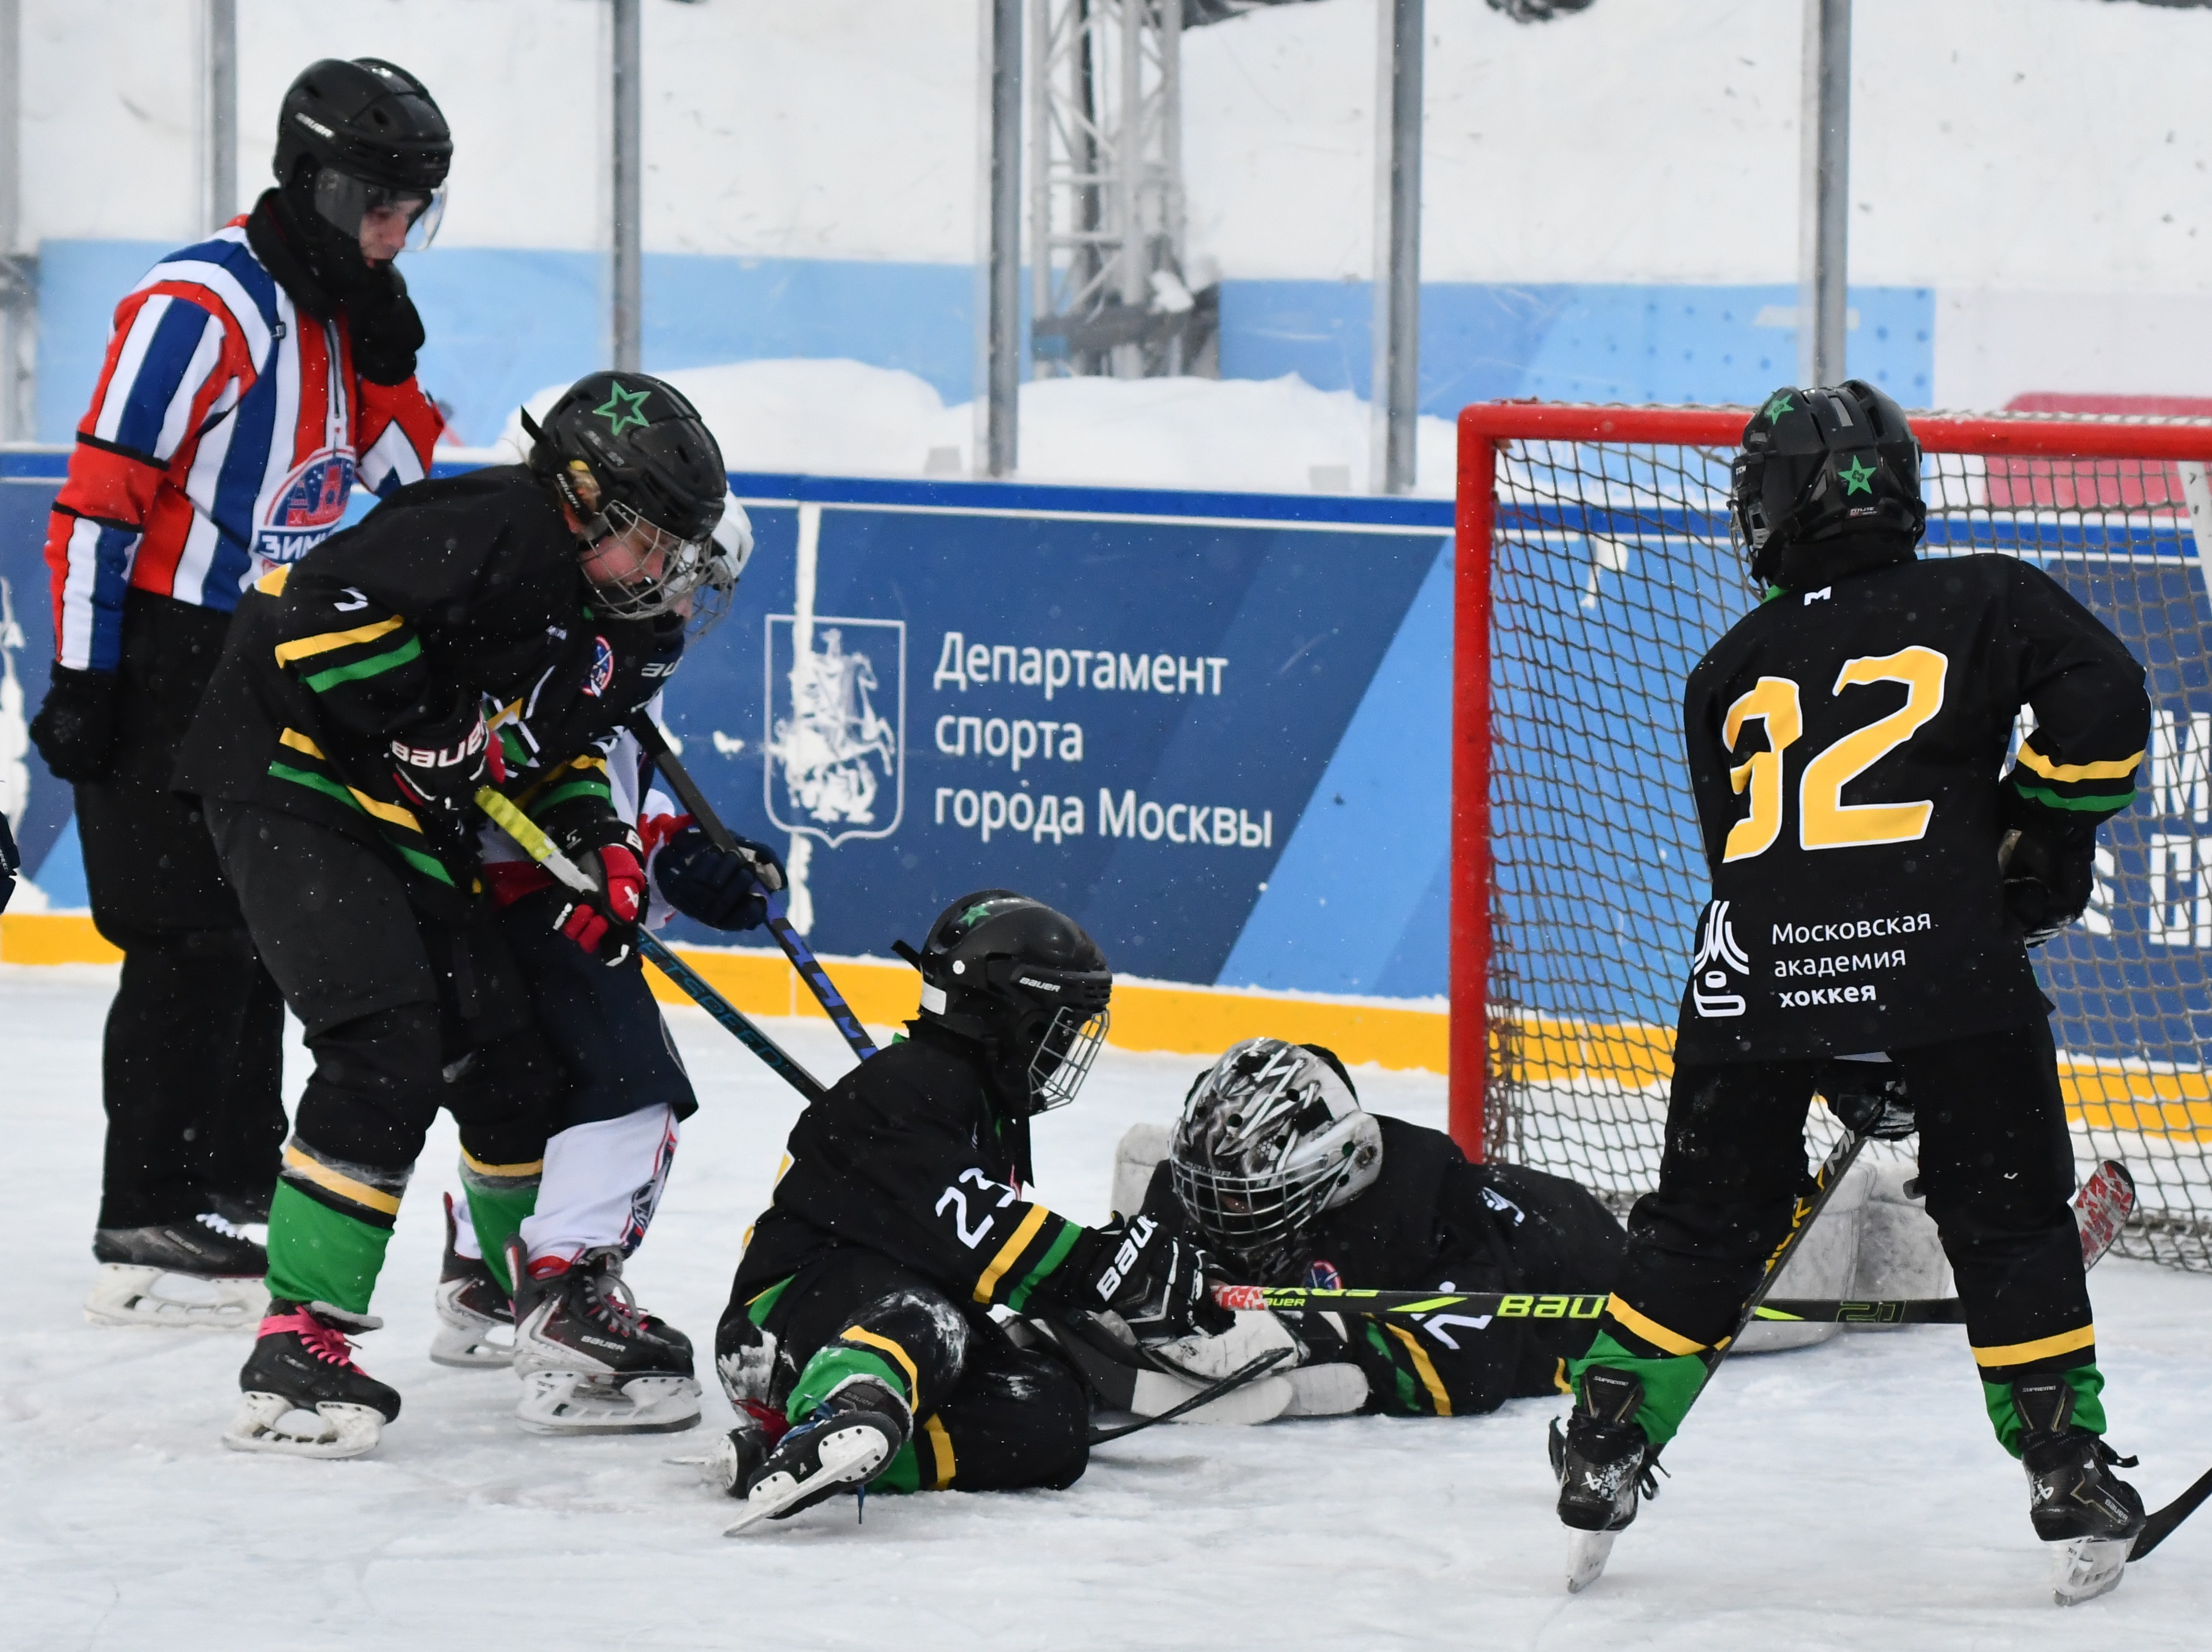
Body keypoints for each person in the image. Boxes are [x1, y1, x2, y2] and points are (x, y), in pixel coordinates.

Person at [1552, 381, 2152, 1604]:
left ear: (1779, 508)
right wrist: (2039, 840)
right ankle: (2061, 1460)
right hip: (1950, 972)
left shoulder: (1726, 667)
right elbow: (2106, 707)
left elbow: (1757, 866)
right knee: (2008, 1218)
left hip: (1757, 984)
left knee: (1703, 1223)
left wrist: (1839, 1038)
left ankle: (1609, 1434)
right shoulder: (1984, 592)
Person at [173, 369, 730, 1458]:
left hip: (392, 818)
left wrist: (597, 840)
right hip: (293, 784)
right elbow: (318, 616)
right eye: (653, 539)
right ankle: (298, 1338)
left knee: (509, 1058)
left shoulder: (584, 614)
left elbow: (551, 754)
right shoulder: (502, 522)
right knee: (383, 1040)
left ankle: (532, 1299)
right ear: (587, 498)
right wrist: (426, 719)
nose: (662, 568)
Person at [28, 58, 451, 1329]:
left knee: (266, 926)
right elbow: (99, 502)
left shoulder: (338, 304)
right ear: (321, 184)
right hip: (161, 651)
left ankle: (230, 1172)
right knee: (178, 934)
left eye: (413, 213)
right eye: (382, 205)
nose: (394, 234)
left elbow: (387, 473)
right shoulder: (199, 303)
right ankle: (146, 1197)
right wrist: (85, 672)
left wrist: (388, 362)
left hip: (272, 653)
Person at [709, 890, 1244, 1530]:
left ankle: (794, 1454)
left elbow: (986, 1242)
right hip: (785, 1326)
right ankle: (847, 1403)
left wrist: (1133, 1272)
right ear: (1011, 1016)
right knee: (927, 1315)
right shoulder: (904, 1088)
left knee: (1050, 1418)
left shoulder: (974, 1103)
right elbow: (991, 1238)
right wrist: (1109, 1265)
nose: (1068, 1043)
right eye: (1060, 1024)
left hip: (906, 1338)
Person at [1140, 1037, 1626, 1418]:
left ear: (1326, 1170)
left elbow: (1471, 1374)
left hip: (1596, 1285)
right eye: (1204, 1188)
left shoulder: (1420, 1218)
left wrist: (1314, 1332)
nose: (1216, 1210)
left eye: (1245, 1197)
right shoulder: (1199, 1181)